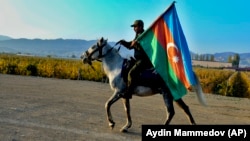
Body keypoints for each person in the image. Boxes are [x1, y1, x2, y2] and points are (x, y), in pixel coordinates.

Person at [118, 19, 153, 99]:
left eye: (135, 27)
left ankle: (129, 93)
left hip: (144, 60)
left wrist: (135, 44)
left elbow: (144, 48)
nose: (134, 28)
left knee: (131, 73)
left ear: (140, 27)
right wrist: (123, 42)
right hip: (137, 59)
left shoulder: (144, 36)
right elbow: (131, 46)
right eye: (133, 27)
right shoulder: (138, 35)